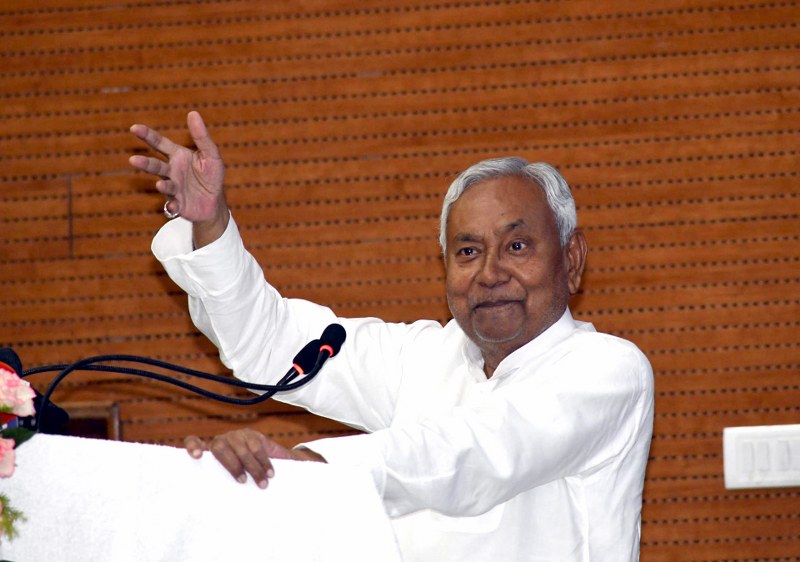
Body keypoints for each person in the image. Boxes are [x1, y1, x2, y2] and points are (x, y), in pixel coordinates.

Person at [130, 111, 654, 561]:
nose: (491, 273)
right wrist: (210, 225)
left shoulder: (607, 368)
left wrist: (316, 466)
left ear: (572, 259)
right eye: (468, 252)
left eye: (517, 246)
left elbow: (478, 451)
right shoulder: (424, 358)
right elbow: (271, 342)